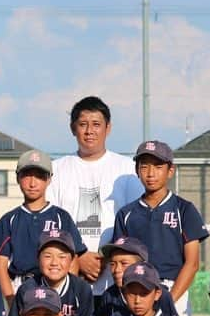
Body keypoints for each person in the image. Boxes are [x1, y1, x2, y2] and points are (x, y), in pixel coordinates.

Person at [46, 96, 144, 295]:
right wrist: (78, 257)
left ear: (108, 128)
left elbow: (135, 224)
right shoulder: (56, 170)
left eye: (96, 124)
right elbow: (50, 223)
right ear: (73, 129)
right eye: (83, 124)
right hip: (69, 280)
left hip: (115, 280)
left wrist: (107, 258)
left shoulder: (127, 170)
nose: (89, 131)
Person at [112, 140, 207, 316]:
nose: (150, 172)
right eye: (144, 166)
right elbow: (121, 260)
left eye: (158, 166)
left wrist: (169, 299)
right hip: (137, 291)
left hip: (173, 289)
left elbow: (192, 263)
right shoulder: (126, 214)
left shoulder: (184, 209)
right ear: (137, 170)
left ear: (170, 170)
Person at [0, 149, 84, 307]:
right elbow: (0, 264)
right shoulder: (9, 219)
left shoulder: (61, 217)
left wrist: (66, 294)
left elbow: (73, 260)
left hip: (55, 286)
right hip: (18, 286)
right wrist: (10, 298)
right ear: (17, 177)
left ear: (49, 179)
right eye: (27, 175)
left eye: (39, 176)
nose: (32, 183)